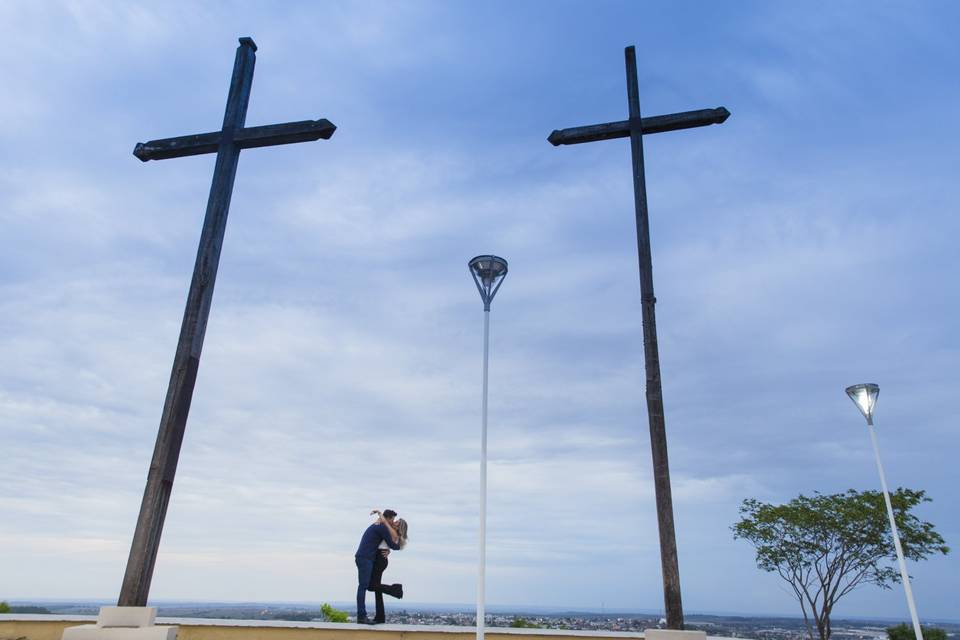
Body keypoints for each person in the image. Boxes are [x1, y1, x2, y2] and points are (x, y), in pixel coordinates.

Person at [354, 509, 401, 624]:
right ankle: (361, 616)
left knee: (367, 586)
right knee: (364, 586)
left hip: (367, 558)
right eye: (393, 519)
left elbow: (386, 544)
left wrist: (388, 550)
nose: (393, 522)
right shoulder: (381, 527)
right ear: (388, 518)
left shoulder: (380, 526)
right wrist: (396, 546)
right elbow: (393, 545)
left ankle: (366, 616)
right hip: (365, 558)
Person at [368, 517, 407, 623]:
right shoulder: (392, 532)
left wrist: (382, 519)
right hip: (379, 559)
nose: (394, 522)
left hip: (380, 560)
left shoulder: (394, 533)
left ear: (399, 527)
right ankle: (380, 616)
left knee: (371, 586)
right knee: (376, 588)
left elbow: (392, 541)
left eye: (397, 522)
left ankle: (396, 590)